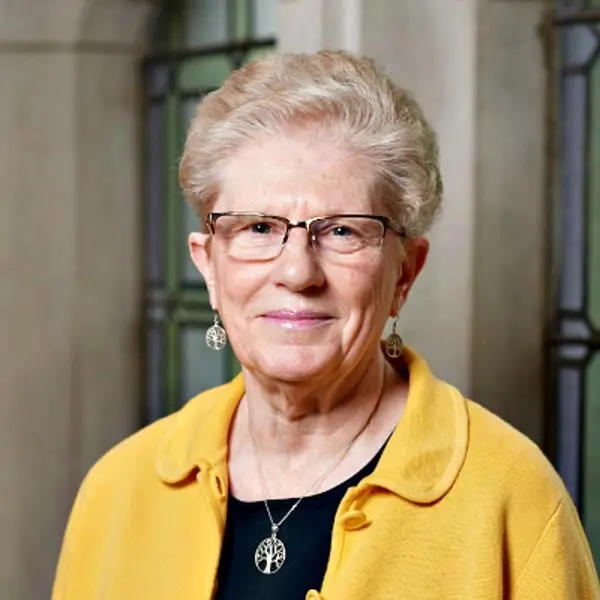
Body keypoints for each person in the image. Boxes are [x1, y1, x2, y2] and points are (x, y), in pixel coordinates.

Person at [52, 50, 599, 600]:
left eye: (342, 231)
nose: (297, 271)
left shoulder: (512, 498)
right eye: (260, 227)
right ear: (208, 266)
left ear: (404, 273)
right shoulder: (118, 490)